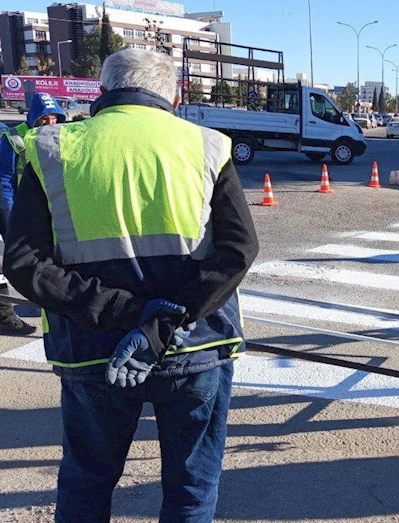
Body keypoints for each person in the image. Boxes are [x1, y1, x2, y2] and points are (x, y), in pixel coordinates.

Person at [4, 48, 258, 522]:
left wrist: (127, 315)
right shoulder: (207, 145)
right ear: (175, 96)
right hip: (195, 348)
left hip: (90, 347)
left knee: (87, 483)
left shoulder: (54, 148)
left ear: (102, 91)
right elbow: (238, 250)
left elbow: (23, 263)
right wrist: (160, 322)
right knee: (191, 487)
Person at [0, 92, 66, 335]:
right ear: (33, 118)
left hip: (51, 207)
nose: (49, 124)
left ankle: (46, 301)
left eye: (54, 119)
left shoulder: (63, 135)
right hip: (21, 208)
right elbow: (5, 179)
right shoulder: (14, 138)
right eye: (43, 119)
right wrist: (10, 218)